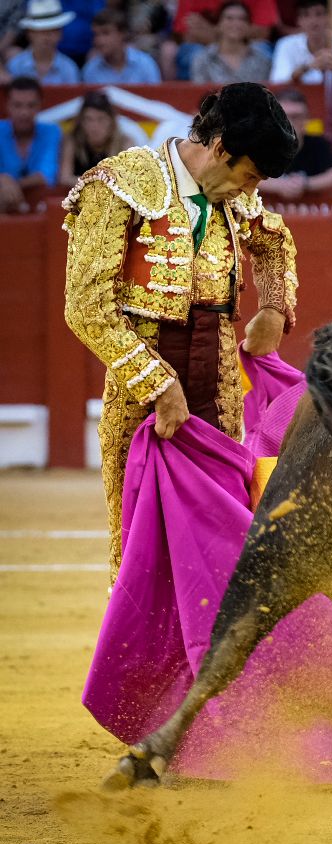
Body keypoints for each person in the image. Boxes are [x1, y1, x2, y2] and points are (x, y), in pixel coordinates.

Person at [63, 82, 300, 582]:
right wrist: (157, 383)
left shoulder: (235, 197)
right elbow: (86, 307)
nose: (250, 192)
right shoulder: (123, 182)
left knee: (222, 531)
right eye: (249, 176)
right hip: (142, 387)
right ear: (219, 148)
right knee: (138, 539)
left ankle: (207, 658)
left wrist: (275, 309)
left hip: (218, 379)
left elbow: (275, 241)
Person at [258, 88, 332, 201]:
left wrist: (305, 184)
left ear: (306, 120)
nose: (289, 123)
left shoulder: (319, 144)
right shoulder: (258, 144)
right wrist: (278, 185)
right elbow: (239, 177)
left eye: (296, 117)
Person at [270, 0, 332, 83]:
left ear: (330, 17)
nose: (313, 21)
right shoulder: (286, 44)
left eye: (319, 14)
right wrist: (307, 67)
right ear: (298, 20)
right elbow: (278, 81)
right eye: (306, 15)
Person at [0, 76, 61, 213]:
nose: (24, 113)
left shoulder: (51, 132)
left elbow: (46, 176)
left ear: (40, 105)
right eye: (17, 105)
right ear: (7, 105)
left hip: (40, 209)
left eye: (31, 105)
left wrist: (11, 183)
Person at [59, 91, 136, 188]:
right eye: (89, 119)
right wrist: (99, 181)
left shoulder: (125, 143)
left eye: (101, 119)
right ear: (81, 122)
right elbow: (64, 179)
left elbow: (128, 180)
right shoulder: (72, 141)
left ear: (111, 122)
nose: (94, 126)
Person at [190, 1, 271, 84]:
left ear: (249, 25)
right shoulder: (203, 59)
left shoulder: (262, 59)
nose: (236, 24)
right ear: (218, 24)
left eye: (242, 19)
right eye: (229, 18)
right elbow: (199, 93)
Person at [8, 0, 81, 85]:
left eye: (53, 30)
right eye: (41, 31)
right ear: (29, 33)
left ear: (60, 34)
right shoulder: (15, 65)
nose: (47, 36)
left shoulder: (69, 68)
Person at [82, 8, 162, 84]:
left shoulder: (145, 65)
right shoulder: (90, 70)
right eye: (96, 34)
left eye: (106, 33)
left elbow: (156, 96)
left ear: (122, 33)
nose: (99, 40)